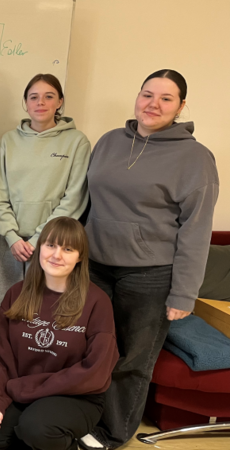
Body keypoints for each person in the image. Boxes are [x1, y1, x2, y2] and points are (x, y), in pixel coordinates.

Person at [78, 70, 219, 450]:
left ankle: (112, 433)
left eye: (166, 98)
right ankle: (81, 417)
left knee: (132, 359)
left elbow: (196, 232)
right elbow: (86, 203)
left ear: (181, 106)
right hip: (95, 266)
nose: (153, 104)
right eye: (147, 94)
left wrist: (184, 294)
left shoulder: (195, 158)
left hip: (150, 274)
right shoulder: (109, 141)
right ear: (137, 97)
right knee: (91, 348)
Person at [0, 217, 119, 450]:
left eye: (68, 249)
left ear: (80, 257)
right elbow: (1, 358)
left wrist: (29, 388)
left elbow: (96, 370)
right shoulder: (16, 294)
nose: (57, 255)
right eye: (51, 245)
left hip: (75, 396)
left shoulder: (97, 301)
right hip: (21, 391)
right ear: (40, 248)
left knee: (36, 428)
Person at [0, 74, 90, 330]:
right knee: (5, 313)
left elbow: (74, 198)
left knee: (44, 320)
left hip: (52, 246)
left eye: (48, 96)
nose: (40, 102)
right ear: (25, 103)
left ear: (60, 102)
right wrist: (12, 237)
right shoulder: (8, 141)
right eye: (34, 97)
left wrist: (39, 240)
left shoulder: (77, 142)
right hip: (9, 243)